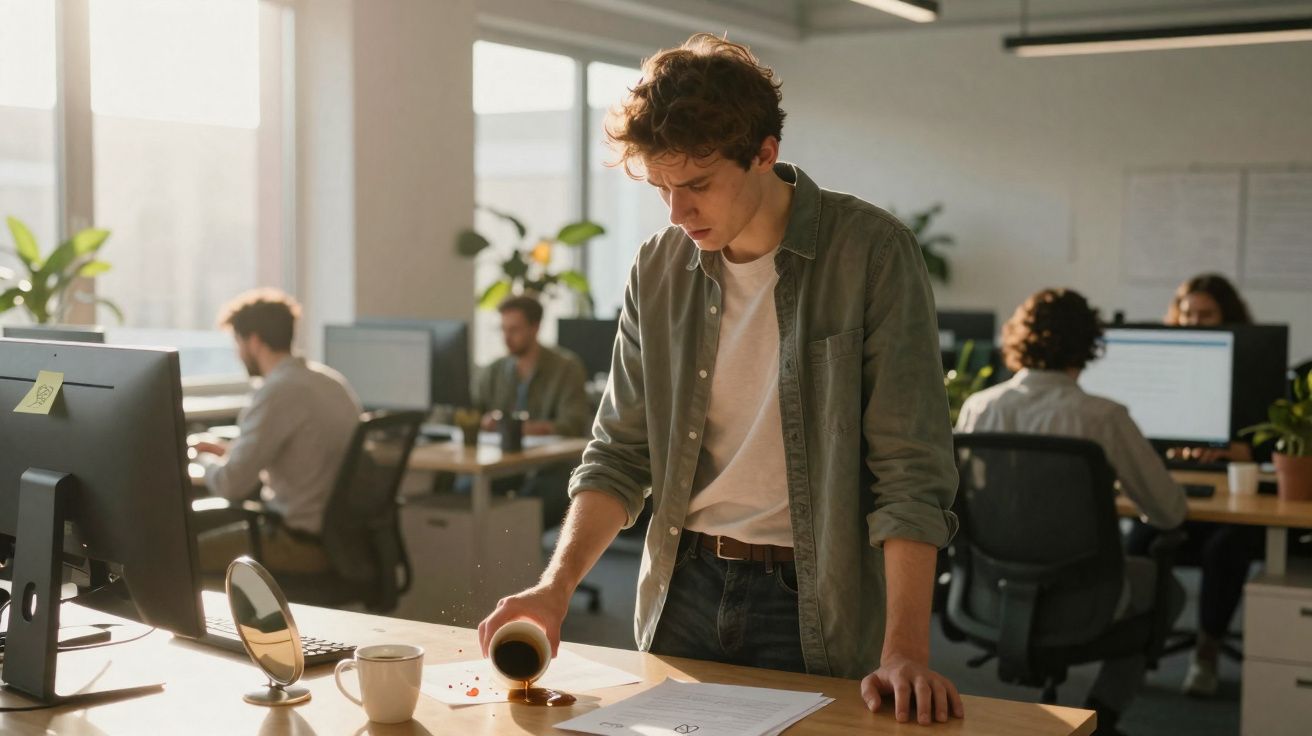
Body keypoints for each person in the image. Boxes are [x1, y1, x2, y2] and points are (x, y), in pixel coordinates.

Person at [479, 34, 964, 726]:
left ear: (764, 153)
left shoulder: (872, 254)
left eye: (698, 186)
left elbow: (910, 472)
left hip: (813, 596)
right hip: (684, 585)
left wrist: (905, 650)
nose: (677, 213)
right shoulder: (658, 268)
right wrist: (554, 588)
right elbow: (619, 455)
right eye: (662, 189)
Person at [956, 288, 1187, 735]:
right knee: (1168, 589)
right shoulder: (1103, 417)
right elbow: (1169, 514)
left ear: (1017, 338)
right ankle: (1104, 713)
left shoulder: (978, 407)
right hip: (1083, 594)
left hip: (993, 590)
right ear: (1089, 345)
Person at [1123, 272, 1263, 698]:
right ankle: (1132, 650)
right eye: (1187, 315)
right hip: (1176, 490)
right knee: (1139, 539)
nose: (1194, 323)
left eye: (1206, 315)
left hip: (1236, 500)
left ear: (1228, 318)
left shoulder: (1252, 366)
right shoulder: (1167, 365)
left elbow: (1271, 445)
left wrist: (1238, 450)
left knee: (1225, 549)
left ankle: (1207, 651)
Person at [192, 289, 361, 575]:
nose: (237, 353)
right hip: (344, 544)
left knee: (183, 558)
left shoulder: (277, 391)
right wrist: (229, 451)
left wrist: (202, 459)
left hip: (297, 544)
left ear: (254, 341)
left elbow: (230, 485)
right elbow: (302, 453)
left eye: (237, 342)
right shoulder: (331, 382)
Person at [475, 295, 592, 438]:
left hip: (551, 451)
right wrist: (483, 421)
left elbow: (573, 425)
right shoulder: (493, 370)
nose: (506, 338)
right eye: (503, 329)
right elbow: (472, 413)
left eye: (514, 330)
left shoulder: (567, 368)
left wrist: (521, 428)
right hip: (498, 450)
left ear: (535, 328)